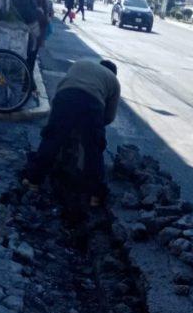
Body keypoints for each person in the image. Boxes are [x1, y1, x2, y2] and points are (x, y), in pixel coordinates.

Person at [22, 59, 120, 210]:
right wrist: (91, 131)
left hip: (65, 97)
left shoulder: (81, 64)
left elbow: (62, 89)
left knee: (51, 139)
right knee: (93, 150)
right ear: (113, 73)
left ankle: (33, 181)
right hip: (92, 104)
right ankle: (95, 196)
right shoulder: (113, 81)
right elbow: (109, 117)